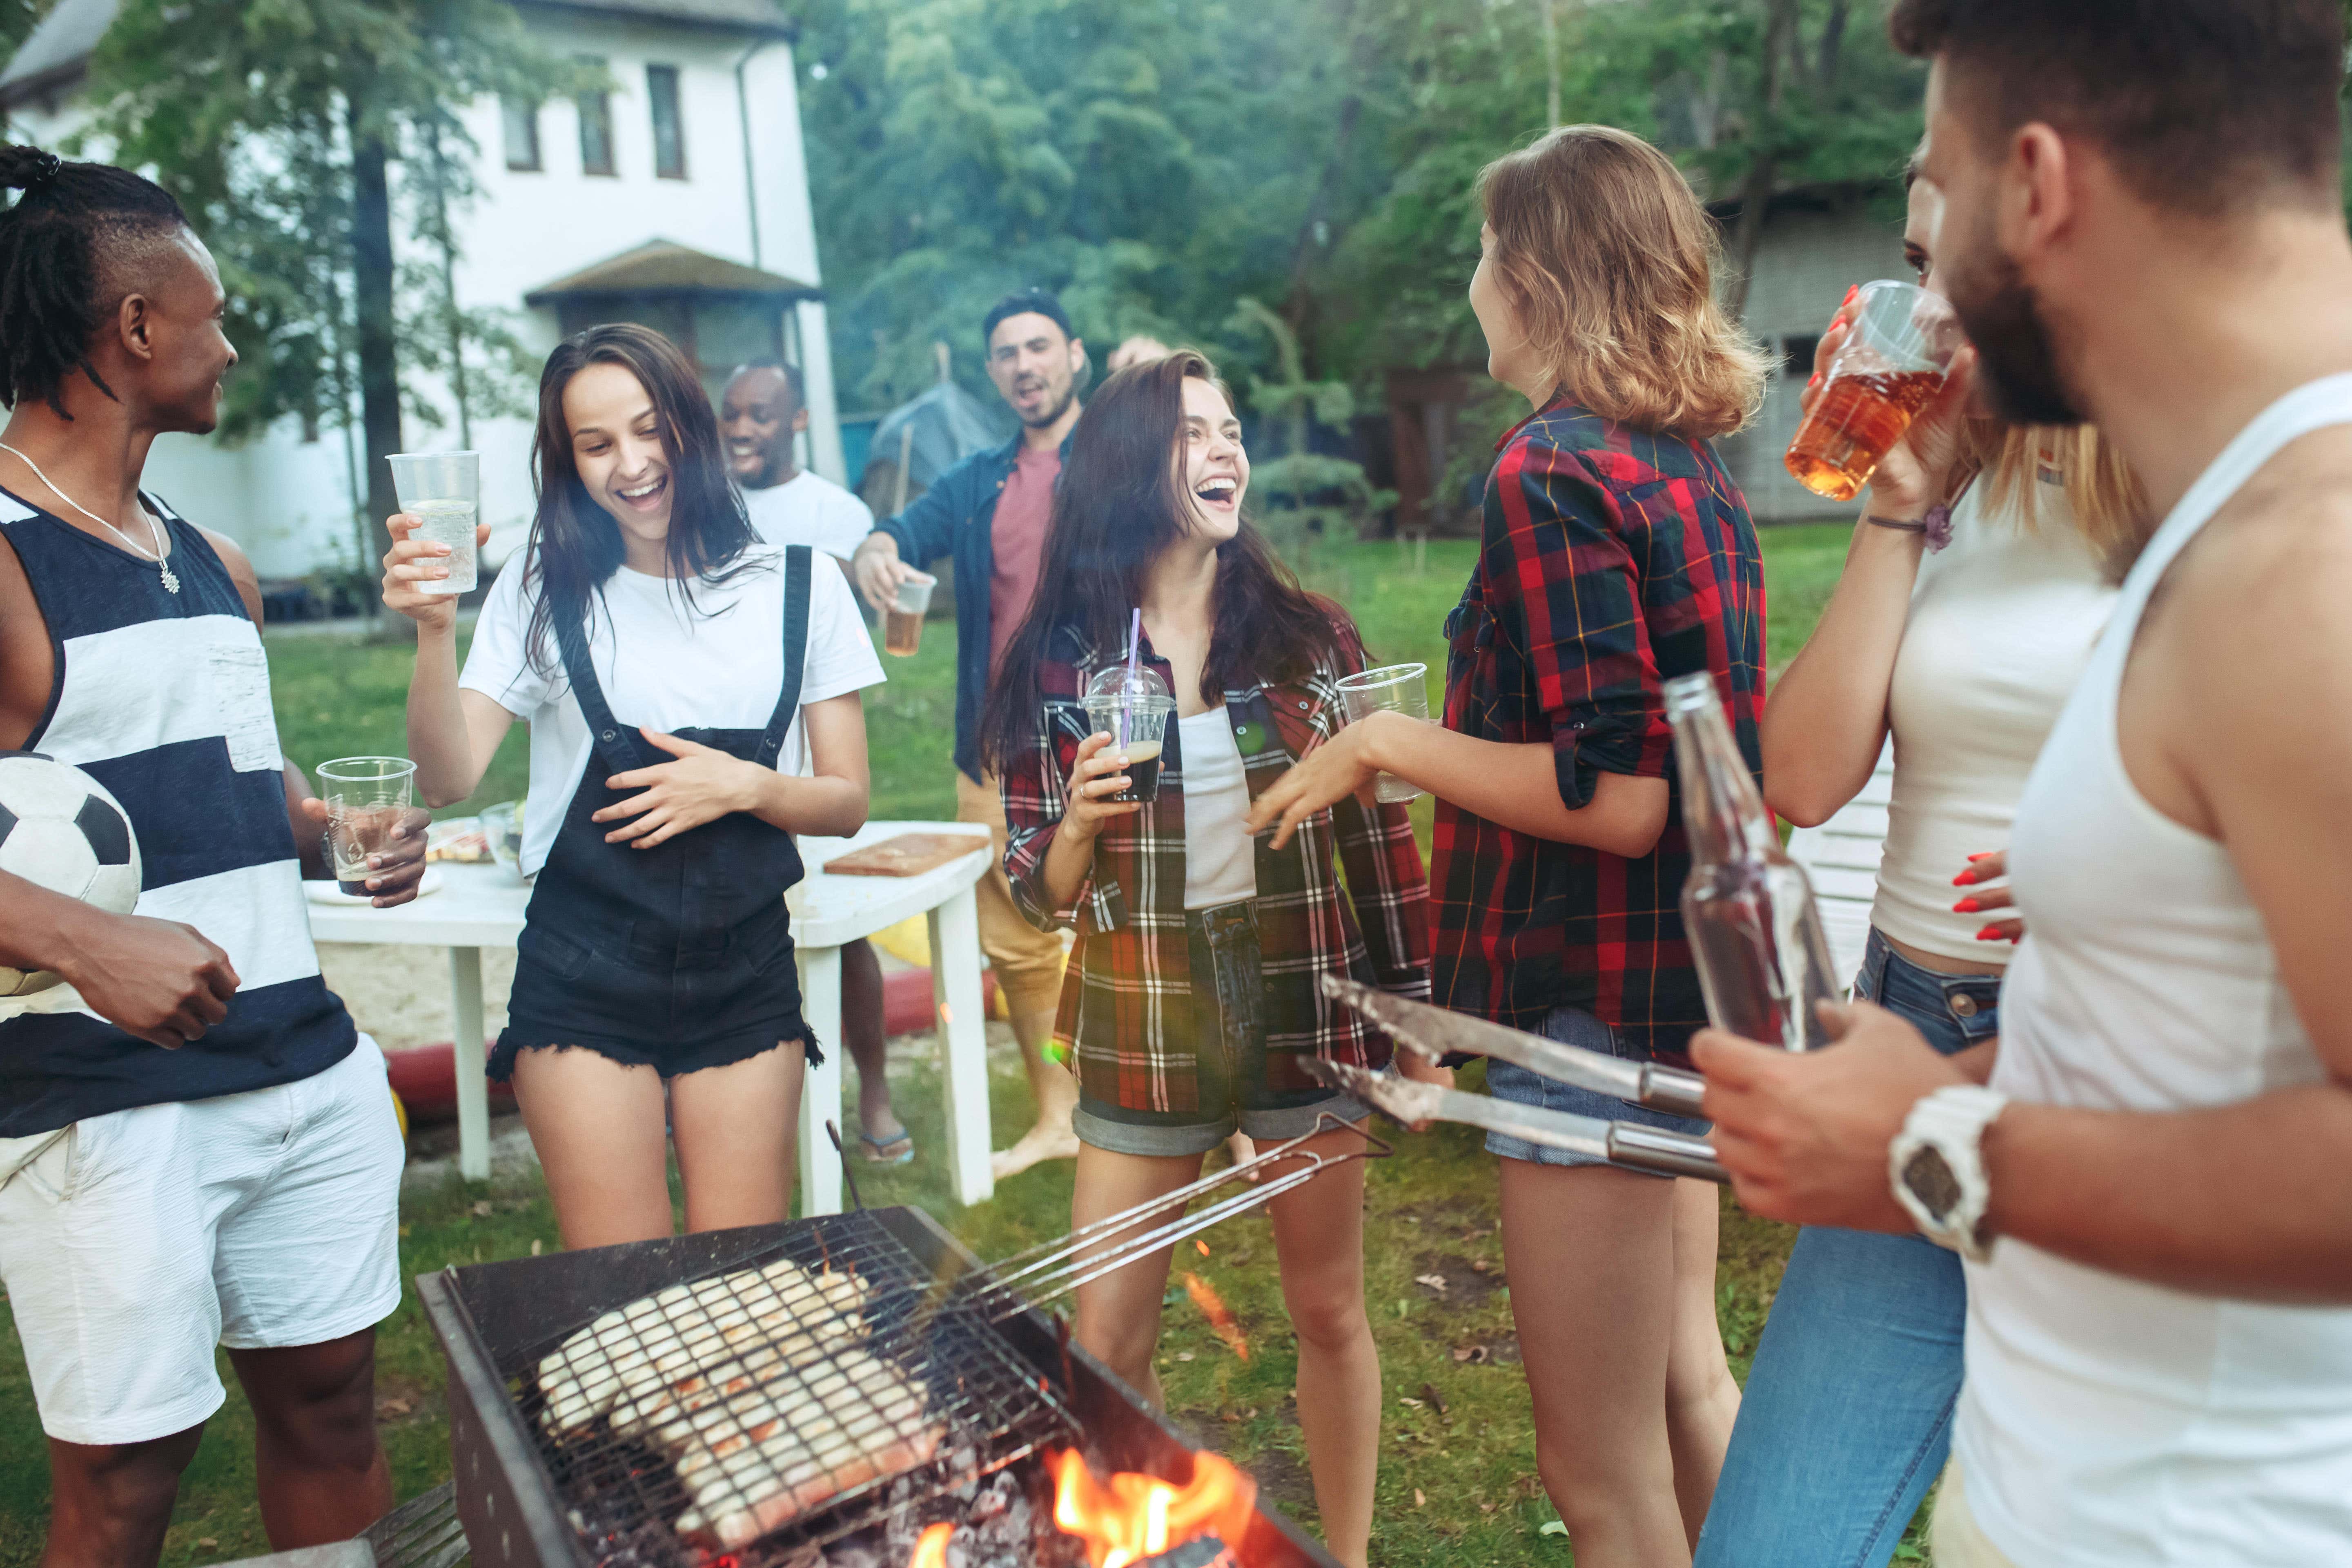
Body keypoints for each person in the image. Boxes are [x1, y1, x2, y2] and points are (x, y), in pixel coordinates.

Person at [1690, 2, 2352, 1563]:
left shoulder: (2308, 567)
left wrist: (1934, 1139)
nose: (1925, 297)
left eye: (1941, 192)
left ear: (2037, 185)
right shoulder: (2223, 525)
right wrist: (1925, 1091)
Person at [1247, 125, 1766, 1566]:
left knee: (1596, 1475)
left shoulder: (1548, 471)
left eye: (1486, 254)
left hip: (1589, 1021)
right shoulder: (1685, 467)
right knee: (1686, 1383)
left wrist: (1384, 744)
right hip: (1696, 998)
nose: (1473, 282)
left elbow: (1620, 797)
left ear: (1534, 276)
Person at [1690, 158, 2148, 1568]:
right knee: (1769, 1546)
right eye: (1914, 264)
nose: (1929, 314)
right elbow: (1806, 781)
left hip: (2090, 1069)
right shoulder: (1965, 489)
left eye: (1961, 276)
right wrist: (1895, 505)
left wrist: (2108, 853)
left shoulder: (2206, 489)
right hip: (1905, 1038)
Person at [0, 147, 424, 1568]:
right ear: (133, 328)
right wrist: (83, 942)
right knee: (125, 1486)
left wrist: (331, 835)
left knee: (332, 1413)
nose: (229, 343)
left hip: (303, 1065)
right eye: (211, 312)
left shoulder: (215, 560)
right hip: (110, 1104)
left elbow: (236, 784)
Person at [981, 350, 1430, 1568]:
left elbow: (1378, 830)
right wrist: (1075, 820)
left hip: (1301, 996)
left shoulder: (1304, 638)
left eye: (1232, 430)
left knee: (1328, 1307)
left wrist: (1415, 1008)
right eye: (1195, 434)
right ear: (1135, 465)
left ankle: (1344, 1555)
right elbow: (1036, 888)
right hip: (1141, 1014)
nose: (1227, 449)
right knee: (1107, 1337)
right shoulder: (1060, 661)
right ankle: (1106, 1549)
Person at [388, 323, 882, 1249]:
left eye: (650, 429)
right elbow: (448, 776)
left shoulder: (803, 586)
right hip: (585, 975)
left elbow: (846, 800)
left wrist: (742, 786)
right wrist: (431, 632)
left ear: (690, 424)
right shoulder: (545, 588)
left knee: (737, 1286)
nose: (632, 464)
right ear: (569, 463)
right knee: (622, 1292)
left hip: (746, 974)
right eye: (596, 444)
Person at [851, 288, 1087, 1180]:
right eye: (1007, 354)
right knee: (1022, 946)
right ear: (994, 373)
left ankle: (1204, 1108)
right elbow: (903, 527)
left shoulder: (1117, 460)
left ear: (1073, 353)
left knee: (1154, 921)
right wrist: (878, 546)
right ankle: (1060, 1114)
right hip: (998, 749)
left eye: (1038, 347)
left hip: (1107, 739)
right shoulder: (979, 476)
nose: (1024, 366)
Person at [719, 357, 908, 1165]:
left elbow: (846, 648)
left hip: (808, 749)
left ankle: (872, 1090)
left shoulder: (835, 511)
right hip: (721, 745)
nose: (741, 429)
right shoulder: (702, 500)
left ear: (797, 419)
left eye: (760, 414)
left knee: (836, 933)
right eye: (731, 414)